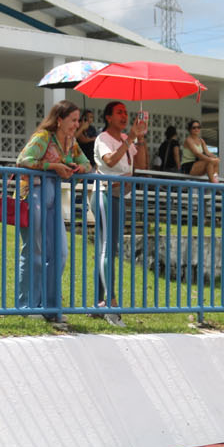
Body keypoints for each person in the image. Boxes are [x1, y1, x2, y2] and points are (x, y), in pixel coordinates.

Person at [14, 100, 89, 321]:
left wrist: (79, 167)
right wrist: (53, 166)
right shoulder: (43, 137)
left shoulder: (71, 142)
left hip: (54, 199)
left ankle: (51, 306)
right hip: (34, 195)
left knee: (60, 253)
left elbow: (87, 163)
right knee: (34, 252)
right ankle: (28, 306)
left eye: (78, 120)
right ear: (59, 119)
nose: (77, 124)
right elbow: (23, 160)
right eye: (73, 120)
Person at [91, 100, 147, 325]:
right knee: (107, 248)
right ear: (108, 117)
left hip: (119, 197)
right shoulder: (103, 139)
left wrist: (140, 139)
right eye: (119, 112)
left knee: (109, 249)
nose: (124, 116)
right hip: (104, 193)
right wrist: (131, 139)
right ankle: (111, 304)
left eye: (125, 112)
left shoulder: (127, 139)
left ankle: (97, 303)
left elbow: (140, 166)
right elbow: (111, 161)